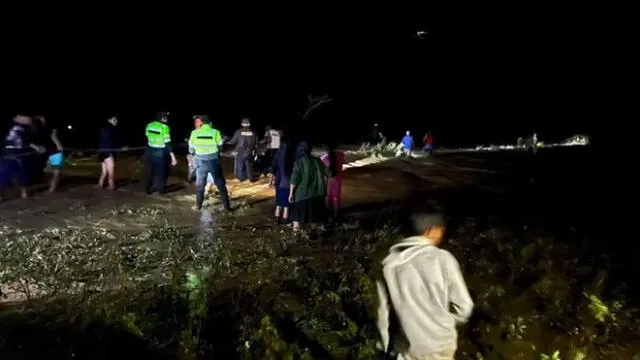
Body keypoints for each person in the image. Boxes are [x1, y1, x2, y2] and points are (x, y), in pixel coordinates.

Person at [377, 213, 473, 360]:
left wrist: (385, 346)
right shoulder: (442, 259)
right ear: (430, 231)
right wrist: (445, 320)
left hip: (407, 349)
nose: (441, 236)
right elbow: (464, 307)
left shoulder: (388, 266)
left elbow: (383, 314)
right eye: (440, 231)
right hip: (440, 346)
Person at [188, 115, 230, 211]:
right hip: (213, 162)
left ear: (201, 123)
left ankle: (198, 206)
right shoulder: (215, 132)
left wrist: (197, 153)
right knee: (221, 185)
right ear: (210, 123)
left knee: (200, 186)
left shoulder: (194, 133)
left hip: (200, 163)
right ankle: (227, 208)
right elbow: (220, 147)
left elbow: (191, 150)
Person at [0, 115, 45, 201]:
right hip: (9, 153)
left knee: (24, 173)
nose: (27, 120)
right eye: (23, 118)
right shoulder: (13, 127)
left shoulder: (28, 128)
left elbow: (29, 140)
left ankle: (24, 193)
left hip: (22, 153)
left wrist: (37, 147)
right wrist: (37, 147)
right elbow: (27, 141)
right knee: (4, 174)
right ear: (16, 118)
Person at [289, 142, 329, 232]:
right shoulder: (318, 160)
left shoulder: (299, 162)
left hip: (302, 195)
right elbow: (328, 174)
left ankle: (296, 235)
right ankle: (316, 234)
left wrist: (291, 194)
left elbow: (294, 179)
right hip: (318, 194)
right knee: (315, 217)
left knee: (296, 217)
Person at [143, 112, 177, 194]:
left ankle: (147, 190)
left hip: (149, 151)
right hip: (160, 153)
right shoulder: (165, 127)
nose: (167, 119)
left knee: (149, 171)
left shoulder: (149, 125)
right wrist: (173, 157)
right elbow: (167, 143)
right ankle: (161, 191)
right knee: (162, 172)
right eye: (166, 117)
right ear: (162, 118)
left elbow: (147, 135)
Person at [34, 116, 65, 192]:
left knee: (56, 171)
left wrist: (58, 145)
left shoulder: (50, 125)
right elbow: (53, 135)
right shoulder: (34, 126)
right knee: (53, 171)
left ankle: (52, 188)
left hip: (53, 150)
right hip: (44, 150)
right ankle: (50, 187)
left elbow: (53, 135)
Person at [187, 115, 215, 194]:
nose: (196, 123)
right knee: (193, 169)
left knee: (207, 172)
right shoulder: (194, 132)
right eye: (195, 122)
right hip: (196, 155)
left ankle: (207, 187)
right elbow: (191, 145)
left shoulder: (210, 132)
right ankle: (195, 182)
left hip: (206, 156)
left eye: (198, 122)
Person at [269, 139, 295, 224]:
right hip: (288, 182)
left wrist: (270, 182)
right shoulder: (292, 155)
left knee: (279, 204)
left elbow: (273, 169)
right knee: (286, 205)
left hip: (279, 182)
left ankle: (276, 220)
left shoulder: (278, 153)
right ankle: (285, 220)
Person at [98, 116, 125, 190]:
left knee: (104, 172)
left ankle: (100, 185)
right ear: (109, 120)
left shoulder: (104, 128)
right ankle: (111, 185)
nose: (116, 121)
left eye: (116, 119)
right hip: (107, 152)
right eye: (114, 119)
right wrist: (120, 148)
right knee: (111, 171)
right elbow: (112, 141)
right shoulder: (111, 129)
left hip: (101, 152)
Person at [320, 141, 344, 223]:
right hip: (338, 179)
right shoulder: (341, 154)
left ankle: (330, 216)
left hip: (330, 180)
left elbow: (323, 166)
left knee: (329, 198)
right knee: (336, 198)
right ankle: (336, 217)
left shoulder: (325, 157)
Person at [227, 118, 258, 182]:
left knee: (240, 165)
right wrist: (255, 153)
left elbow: (233, 142)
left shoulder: (238, 132)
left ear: (242, 124)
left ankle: (240, 178)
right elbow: (256, 144)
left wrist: (227, 141)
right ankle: (250, 178)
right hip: (249, 151)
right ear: (249, 124)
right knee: (249, 165)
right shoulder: (254, 133)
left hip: (240, 151)